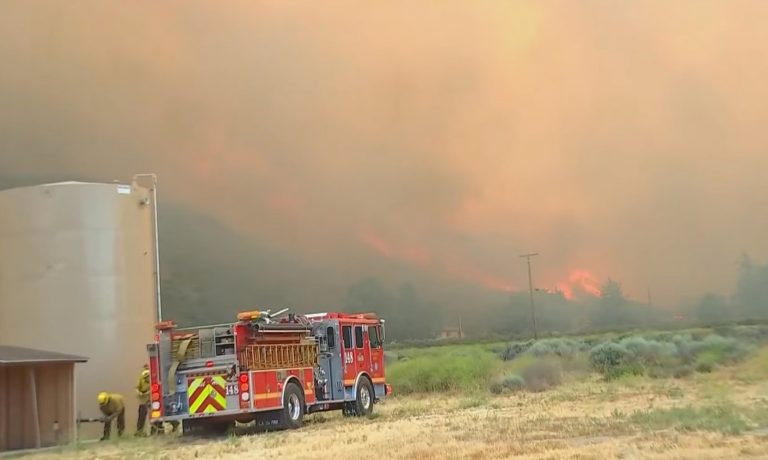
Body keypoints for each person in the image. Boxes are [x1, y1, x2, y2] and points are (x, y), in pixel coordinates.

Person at [135, 365, 151, 436]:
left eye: (147, 377)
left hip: (152, 398)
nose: (147, 379)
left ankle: (174, 423)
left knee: (156, 414)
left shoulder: (153, 378)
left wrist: (148, 392)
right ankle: (139, 431)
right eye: (145, 378)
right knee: (141, 413)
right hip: (143, 399)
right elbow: (136, 388)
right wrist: (139, 392)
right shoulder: (141, 379)